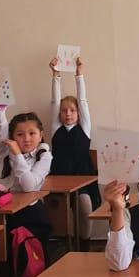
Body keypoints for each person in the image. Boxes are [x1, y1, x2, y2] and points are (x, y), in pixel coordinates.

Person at [0, 82, 55, 245]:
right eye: (20, 134)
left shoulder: (44, 156)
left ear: (41, 135)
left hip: (30, 214)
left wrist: (17, 155)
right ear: (12, 136)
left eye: (32, 133)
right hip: (3, 209)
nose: (26, 139)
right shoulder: (6, 150)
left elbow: (28, 186)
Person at [48, 54, 101, 238]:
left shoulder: (84, 128)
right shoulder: (56, 129)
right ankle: (60, 242)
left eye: (72, 110)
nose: (68, 114)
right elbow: (55, 102)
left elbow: (83, 101)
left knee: (85, 205)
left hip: (82, 181)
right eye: (64, 111)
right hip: (59, 181)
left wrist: (79, 74)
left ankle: (84, 242)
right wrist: (56, 75)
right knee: (55, 211)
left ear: (78, 114)